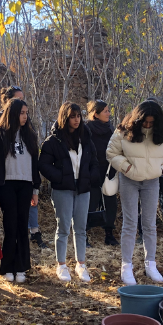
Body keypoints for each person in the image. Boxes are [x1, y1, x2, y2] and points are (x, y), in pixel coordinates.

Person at [106, 100, 163, 285]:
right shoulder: (123, 131)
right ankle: (126, 266)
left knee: (150, 224)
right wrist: (127, 168)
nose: (147, 125)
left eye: (151, 123)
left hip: (152, 181)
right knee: (130, 223)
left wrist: (162, 169)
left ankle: (150, 264)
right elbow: (111, 153)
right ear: (138, 118)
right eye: (145, 122)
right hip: (129, 180)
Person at [39, 102, 99, 283]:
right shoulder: (53, 141)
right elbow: (43, 165)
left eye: (79, 116)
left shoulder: (86, 138)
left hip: (82, 188)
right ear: (65, 117)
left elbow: (94, 162)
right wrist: (60, 178)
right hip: (62, 188)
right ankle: (61, 265)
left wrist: (90, 179)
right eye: (72, 116)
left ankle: (81, 264)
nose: (76, 120)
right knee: (63, 227)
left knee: (81, 229)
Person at [0, 98, 40, 283]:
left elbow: (35, 165)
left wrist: (36, 190)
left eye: (26, 113)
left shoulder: (30, 136)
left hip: (25, 185)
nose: (25, 116)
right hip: (6, 185)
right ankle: (7, 266)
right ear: (12, 113)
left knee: (22, 226)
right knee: (10, 226)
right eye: (21, 113)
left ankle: (21, 267)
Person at [0, 86, 49, 249]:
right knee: (12, 221)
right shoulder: (3, 122)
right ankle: (14, 251)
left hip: (26, 176)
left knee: (30, 202)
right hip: (9, 178)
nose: (24, 114)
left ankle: (33, 232)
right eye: (18, 100)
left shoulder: (26, 121)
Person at [85, 99, 119, 246]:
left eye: (108, 110)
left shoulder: (111, 129)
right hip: (92, 171)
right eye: (105, 111)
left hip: (108, 171)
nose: (108, 113)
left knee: (111, 203)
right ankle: (84, 234)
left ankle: (109, 234)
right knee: (90, 204)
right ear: (96, 114)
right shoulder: (86, 129)